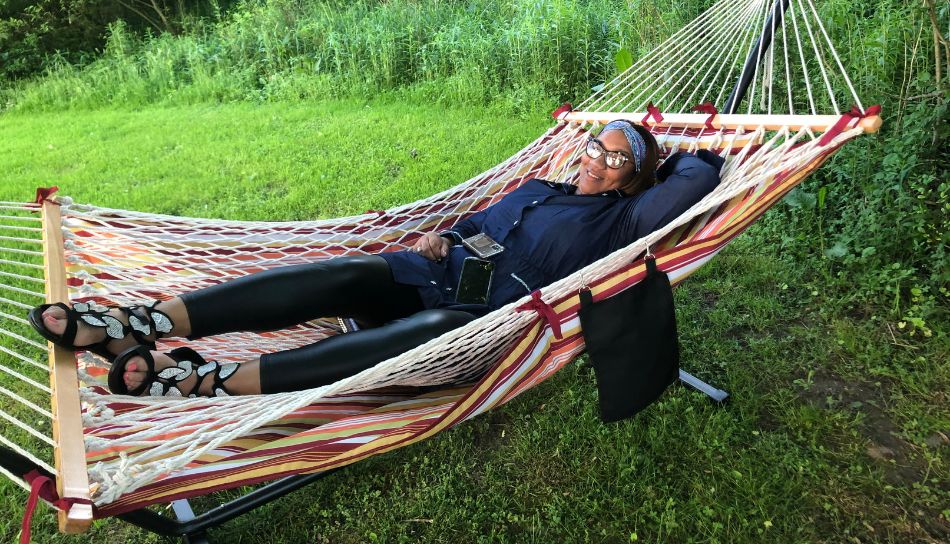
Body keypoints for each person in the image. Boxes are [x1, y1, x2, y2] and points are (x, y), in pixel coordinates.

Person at [28, 121, 723, 398]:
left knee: (424, 329)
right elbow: (479, 220)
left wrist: (673, 149)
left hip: (489, 320)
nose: (597, 160)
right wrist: (441, 237)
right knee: (348, 273)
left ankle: (210, 380)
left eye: (617, 157)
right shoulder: (542, 186)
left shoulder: (624, 216)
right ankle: (138, 320)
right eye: (595, 146)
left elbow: (699, 176)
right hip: (439, 273)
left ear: (635, 178)